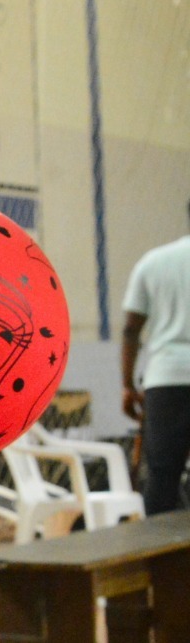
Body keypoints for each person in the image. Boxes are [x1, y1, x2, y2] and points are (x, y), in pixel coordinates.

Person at [121, 198, 190, 515]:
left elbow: (130, 330)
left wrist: (127, 385)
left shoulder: (153, 262)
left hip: (165, 380)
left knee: (162, 474)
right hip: (165, 379)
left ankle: (158, 548)